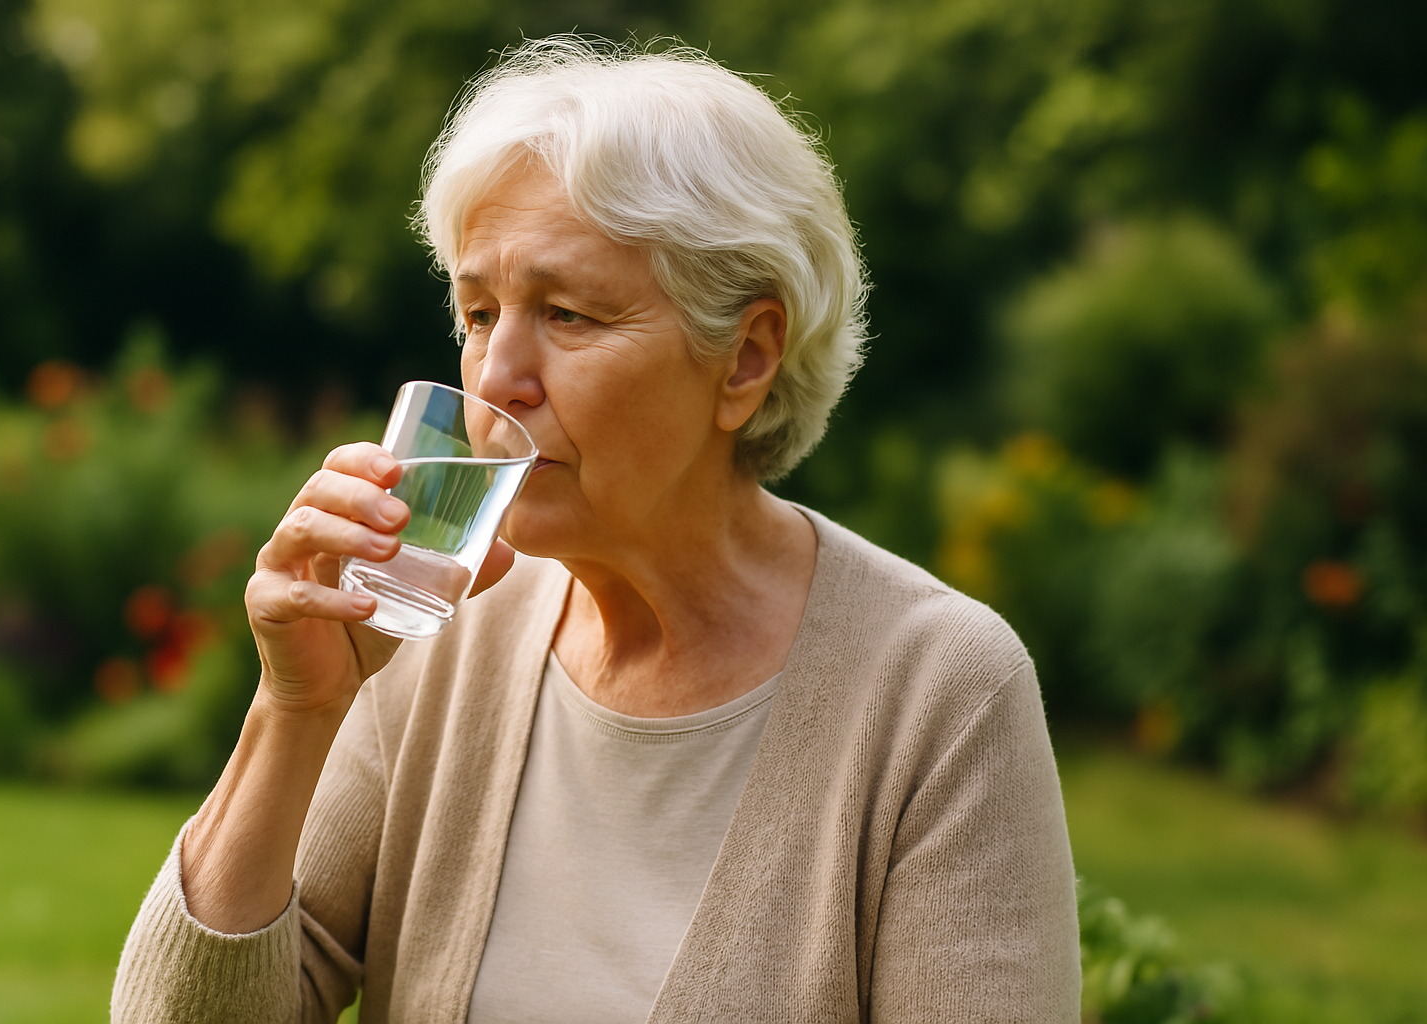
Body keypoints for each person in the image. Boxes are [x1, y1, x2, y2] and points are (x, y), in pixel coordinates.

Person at [113, 36, 1080, 1023]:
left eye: (568, 314)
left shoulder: (939, 688)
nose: (495, 379)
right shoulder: (433, 625)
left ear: (745, 359)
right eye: (480, 311)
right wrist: (293, 710)